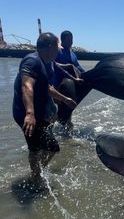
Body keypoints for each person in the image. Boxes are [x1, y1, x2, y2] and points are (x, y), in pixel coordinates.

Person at [12, 33, 78, 183]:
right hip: (26, 114)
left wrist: (65, 99)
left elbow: (47, 87)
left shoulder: (47, 62)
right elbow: (26, 86)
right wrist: (29, 113)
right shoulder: (31, 61)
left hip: (38, 112)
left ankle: (37, 172)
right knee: (47, 148)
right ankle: (35, 177)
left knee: (44, 147)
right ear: (50, 47)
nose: (59, 51)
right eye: (58, 47)